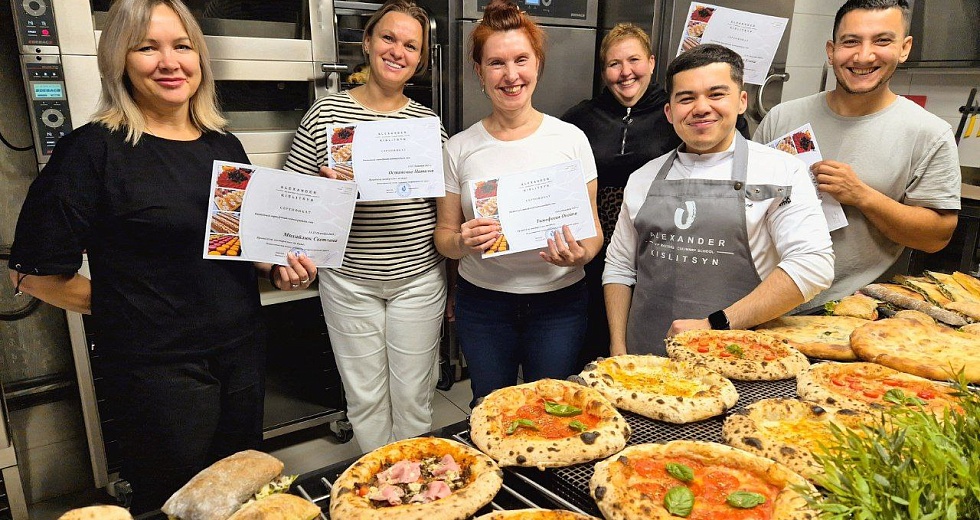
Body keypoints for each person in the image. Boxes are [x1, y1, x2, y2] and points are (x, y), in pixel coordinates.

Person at [6, 0, 316, 512]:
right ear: (119, 61)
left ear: (200, 58)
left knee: (239, 492)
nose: (169, 62)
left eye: (182, 46)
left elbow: (234, 243)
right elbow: (32, 275)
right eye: (147, 47)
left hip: (241, 353)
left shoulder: (225, 145)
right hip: (157, 375)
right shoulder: (92, 151)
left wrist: (276, 267)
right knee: (175, 503)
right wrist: (129, 312)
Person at [283, 0, 447, 452]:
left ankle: (416, 489)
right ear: (368, 43)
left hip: (417, 279)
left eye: (411, 45)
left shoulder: (427, 124)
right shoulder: (326, 115)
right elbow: (293, 207)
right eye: (388, 38)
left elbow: (445, 207)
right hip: (350, 280)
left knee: (414, 399)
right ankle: (378, 489)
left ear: (421, 59)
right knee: (365, 400)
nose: (398, 51)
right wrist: (322, 190)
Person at [603, 44, 835, 356]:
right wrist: (618, 346)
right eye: (686, 98)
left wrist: (716, 325)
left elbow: (813, 265)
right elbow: (618, 267)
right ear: (669, 112)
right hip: (645, 360)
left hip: (741, 360)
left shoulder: (781, 171)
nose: (701, 108)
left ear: (741, 101)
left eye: (716, 94)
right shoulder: (643, 178)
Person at [435, 0, 603, 404]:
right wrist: (462, 241)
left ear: (537, 64)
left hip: (560, 303)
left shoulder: (571, 140)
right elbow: (443, 236)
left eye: (521, 59)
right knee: (491, 406)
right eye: (496, 63)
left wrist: (579, 256)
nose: (511, 75)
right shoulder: (459, 148)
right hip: (485, 305)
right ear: (479, 72)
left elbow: (593, 232)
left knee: (554, 409)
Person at [561, 23, 750, 363]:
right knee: (596, 337)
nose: (625, 72)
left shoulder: (681, 109)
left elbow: (732, 147)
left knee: (662, 332)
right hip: (596, 247)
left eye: (634, 60)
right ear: (603, 71)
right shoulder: (580, 118)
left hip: (669, 243)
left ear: (650, 62)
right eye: (614, 64)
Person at [754, 0, 960, 310]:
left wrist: (862, 195)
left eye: (882, 40)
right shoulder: (781, 118)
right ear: (831, 50)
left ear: (904, 49)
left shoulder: (929, 133)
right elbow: (742, 206)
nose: (864, 56)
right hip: (763, 300)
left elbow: (936, 238)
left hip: (852, 313)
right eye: (851, 41)